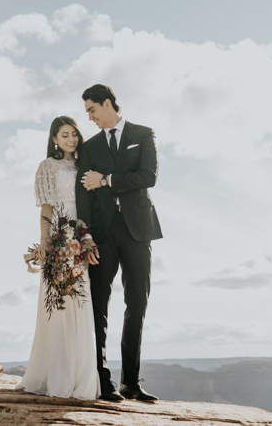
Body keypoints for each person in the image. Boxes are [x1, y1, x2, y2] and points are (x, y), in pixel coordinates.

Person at [76, 84, 162, 403]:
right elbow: (83, 194)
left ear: (108, 104)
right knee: (99, 304)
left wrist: (108, 180)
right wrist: (85, 237)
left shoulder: (142, 134)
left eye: (92, 110)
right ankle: (103, 380)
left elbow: (148, 176)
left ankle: (130, 382)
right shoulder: (90, 146)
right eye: (87, 112)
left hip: (138, 228)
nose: (90, 117)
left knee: (137, 302)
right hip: (102, 233)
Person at [15, 116, 100, 399]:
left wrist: (86, 237)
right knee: (60, 305)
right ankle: (57, 377)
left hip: (82, 235)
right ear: (54, 138)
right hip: (60, 238)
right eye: (64, 135)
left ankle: (80, 377)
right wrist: (44, 242)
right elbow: (47, 209)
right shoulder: (47, 167)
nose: (71, 139)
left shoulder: (85, 165)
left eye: (74, 134)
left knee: (81, 302)